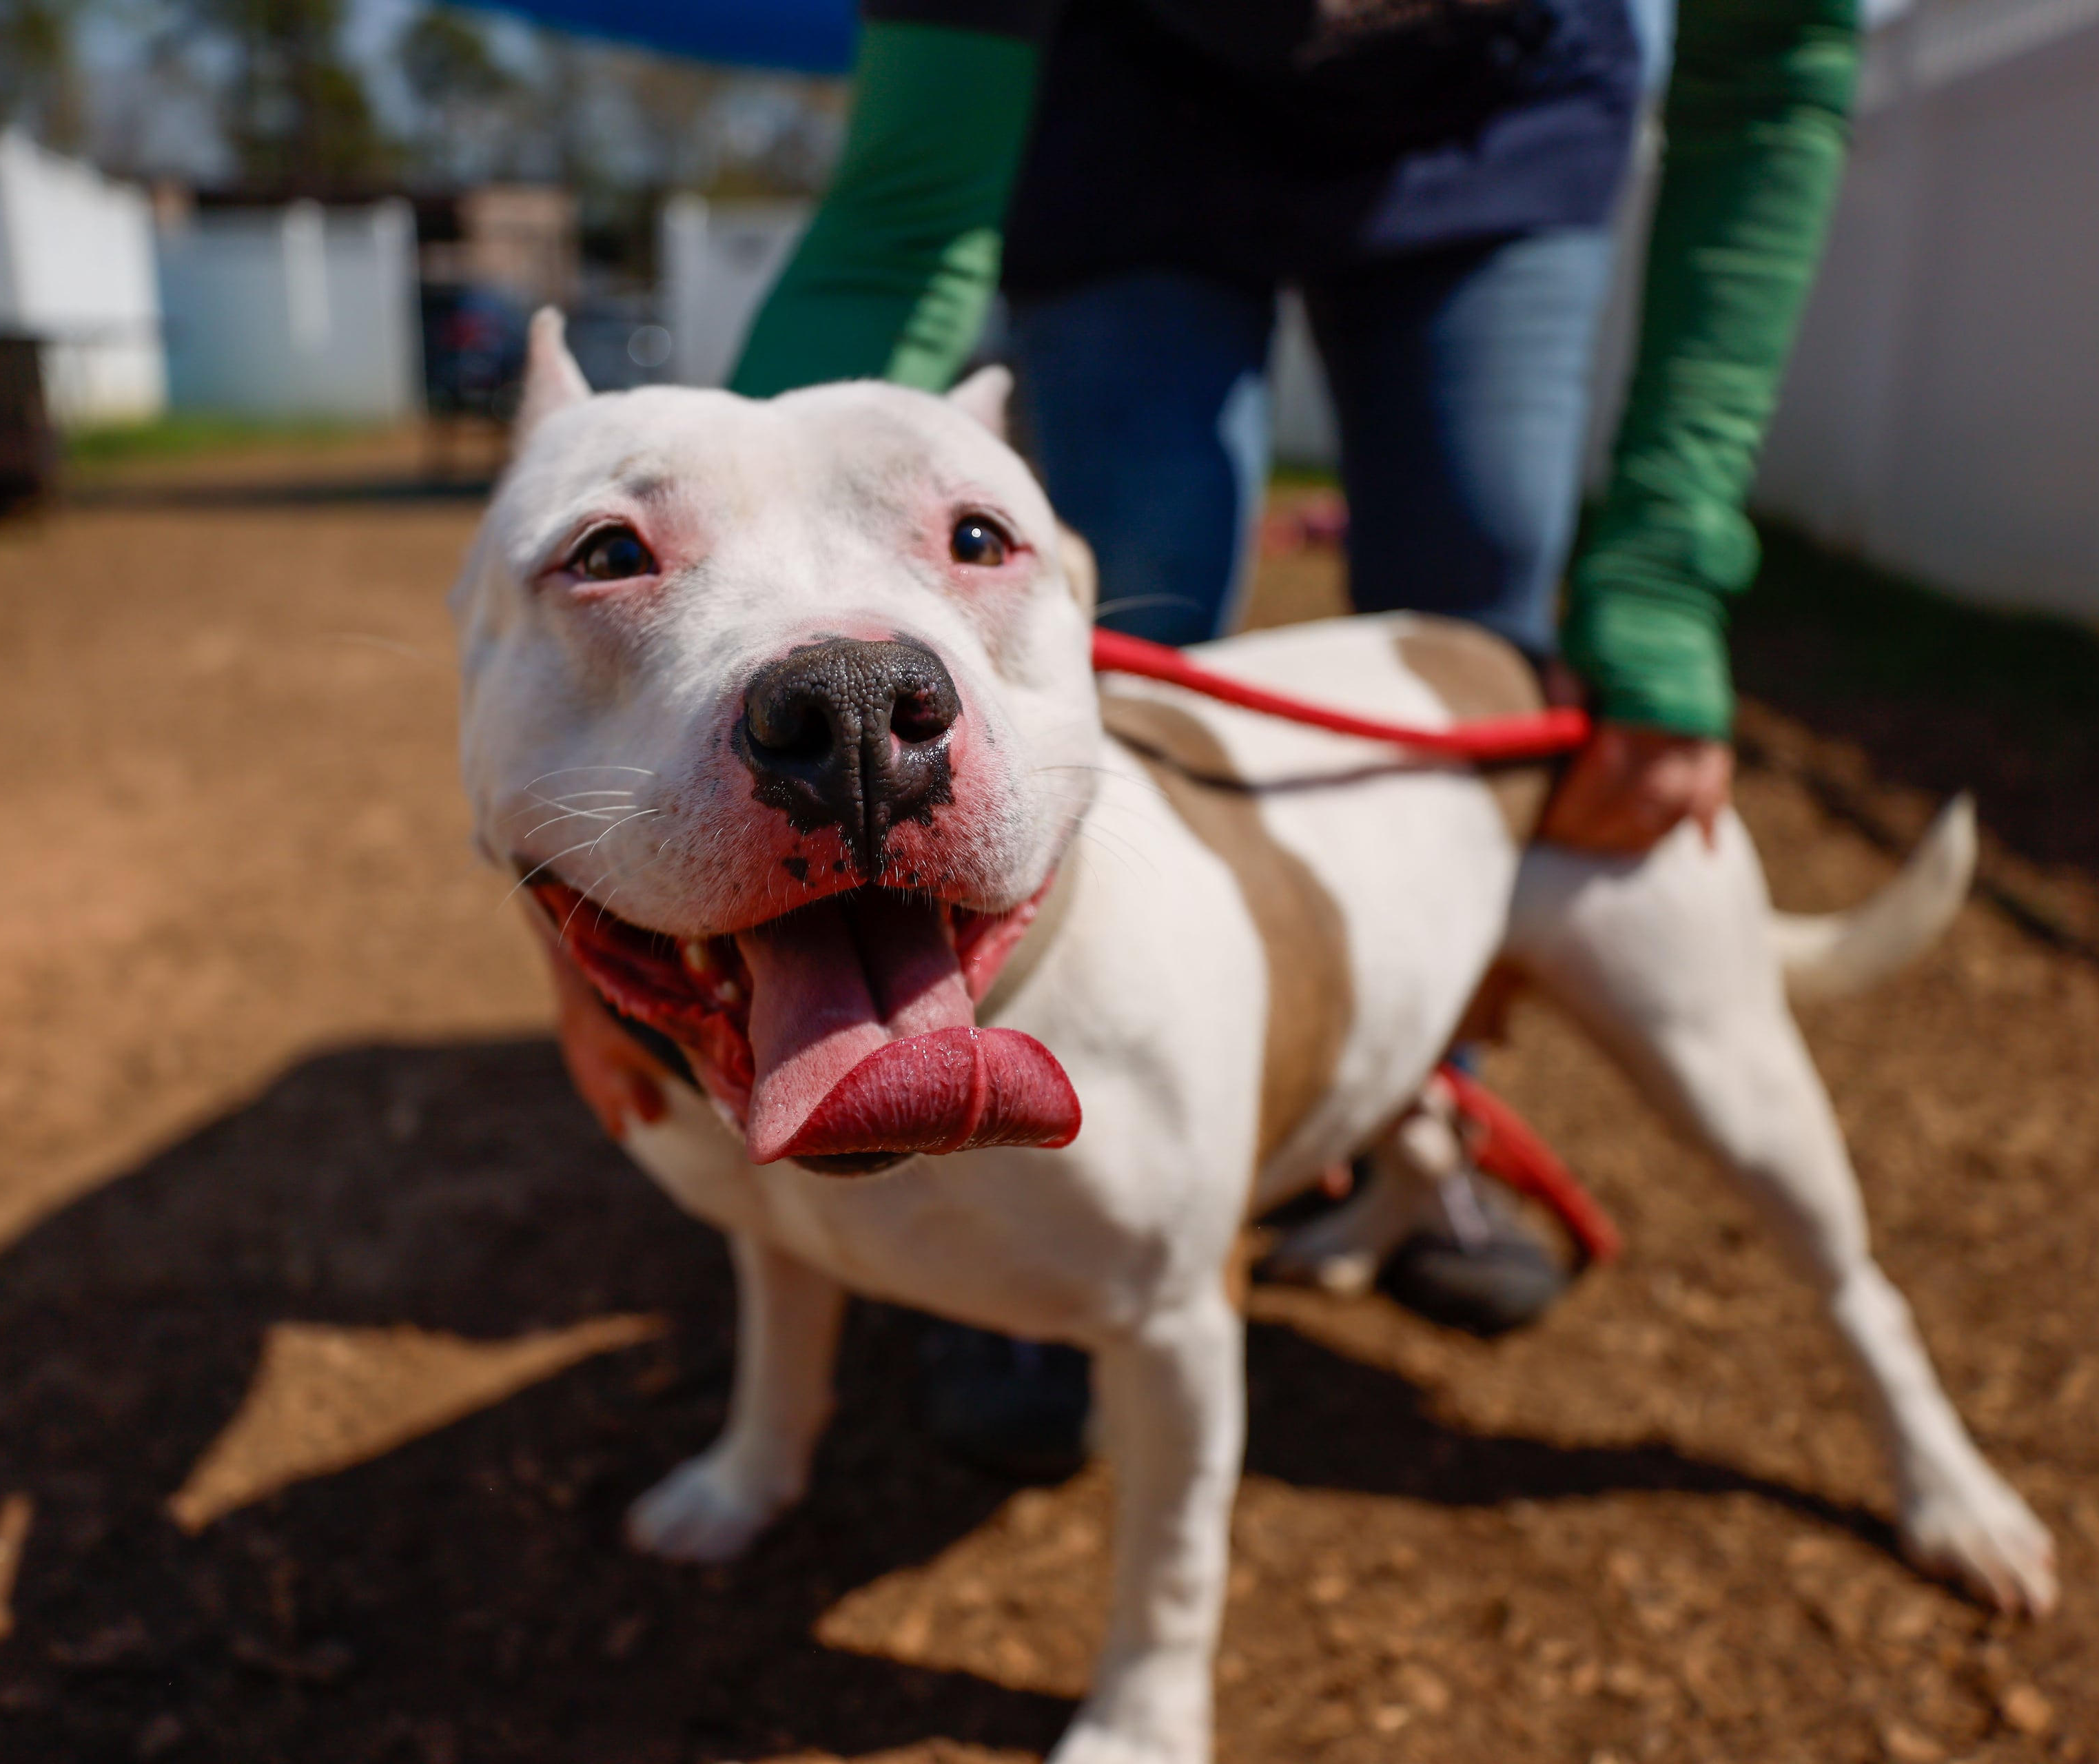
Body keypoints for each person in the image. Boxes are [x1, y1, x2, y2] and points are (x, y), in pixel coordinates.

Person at [546, 0, 1861, 1475]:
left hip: (1504, 103)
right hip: (1134, 104)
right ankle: (1010, 1162)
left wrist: (1664, 577)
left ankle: (1412, 1114)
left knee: (1474, 583)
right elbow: (905, 217)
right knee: (1127, 581)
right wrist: (649, 780)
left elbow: (1776, 75)